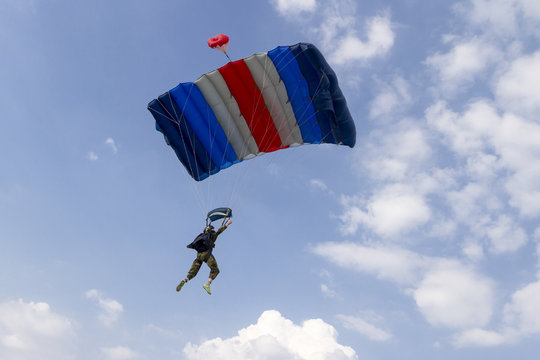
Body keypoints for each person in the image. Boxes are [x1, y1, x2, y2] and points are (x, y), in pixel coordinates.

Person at [176, 219, 232, 295]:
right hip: (206, 255)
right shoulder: (212, 235)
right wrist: (227, 224)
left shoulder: (202, 236)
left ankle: (185, 280)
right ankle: (207, 284)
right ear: (211, 230)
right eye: (213, 229)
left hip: (199, 255)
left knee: (193, 271)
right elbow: (219, 231)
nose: (214, 230)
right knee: (215, 270)